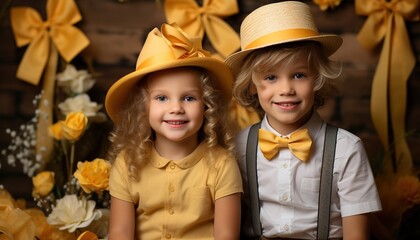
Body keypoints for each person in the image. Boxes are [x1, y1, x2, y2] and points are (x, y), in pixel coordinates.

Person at [225, 1, 382, 239]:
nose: (286, 89)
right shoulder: (238, 147)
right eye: (271, 77)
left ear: (318, 78)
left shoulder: (346, 149)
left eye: (299, 75)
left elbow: (357, 234)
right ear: (252, 85)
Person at [105, 23, 243, 240]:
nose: (176, 108)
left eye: (189, 98)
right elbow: (120, 232)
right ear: (143, 107)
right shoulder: (127, 163)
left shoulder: (221, 165)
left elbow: (226, 235)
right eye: (161, 98)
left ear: (207, 105)